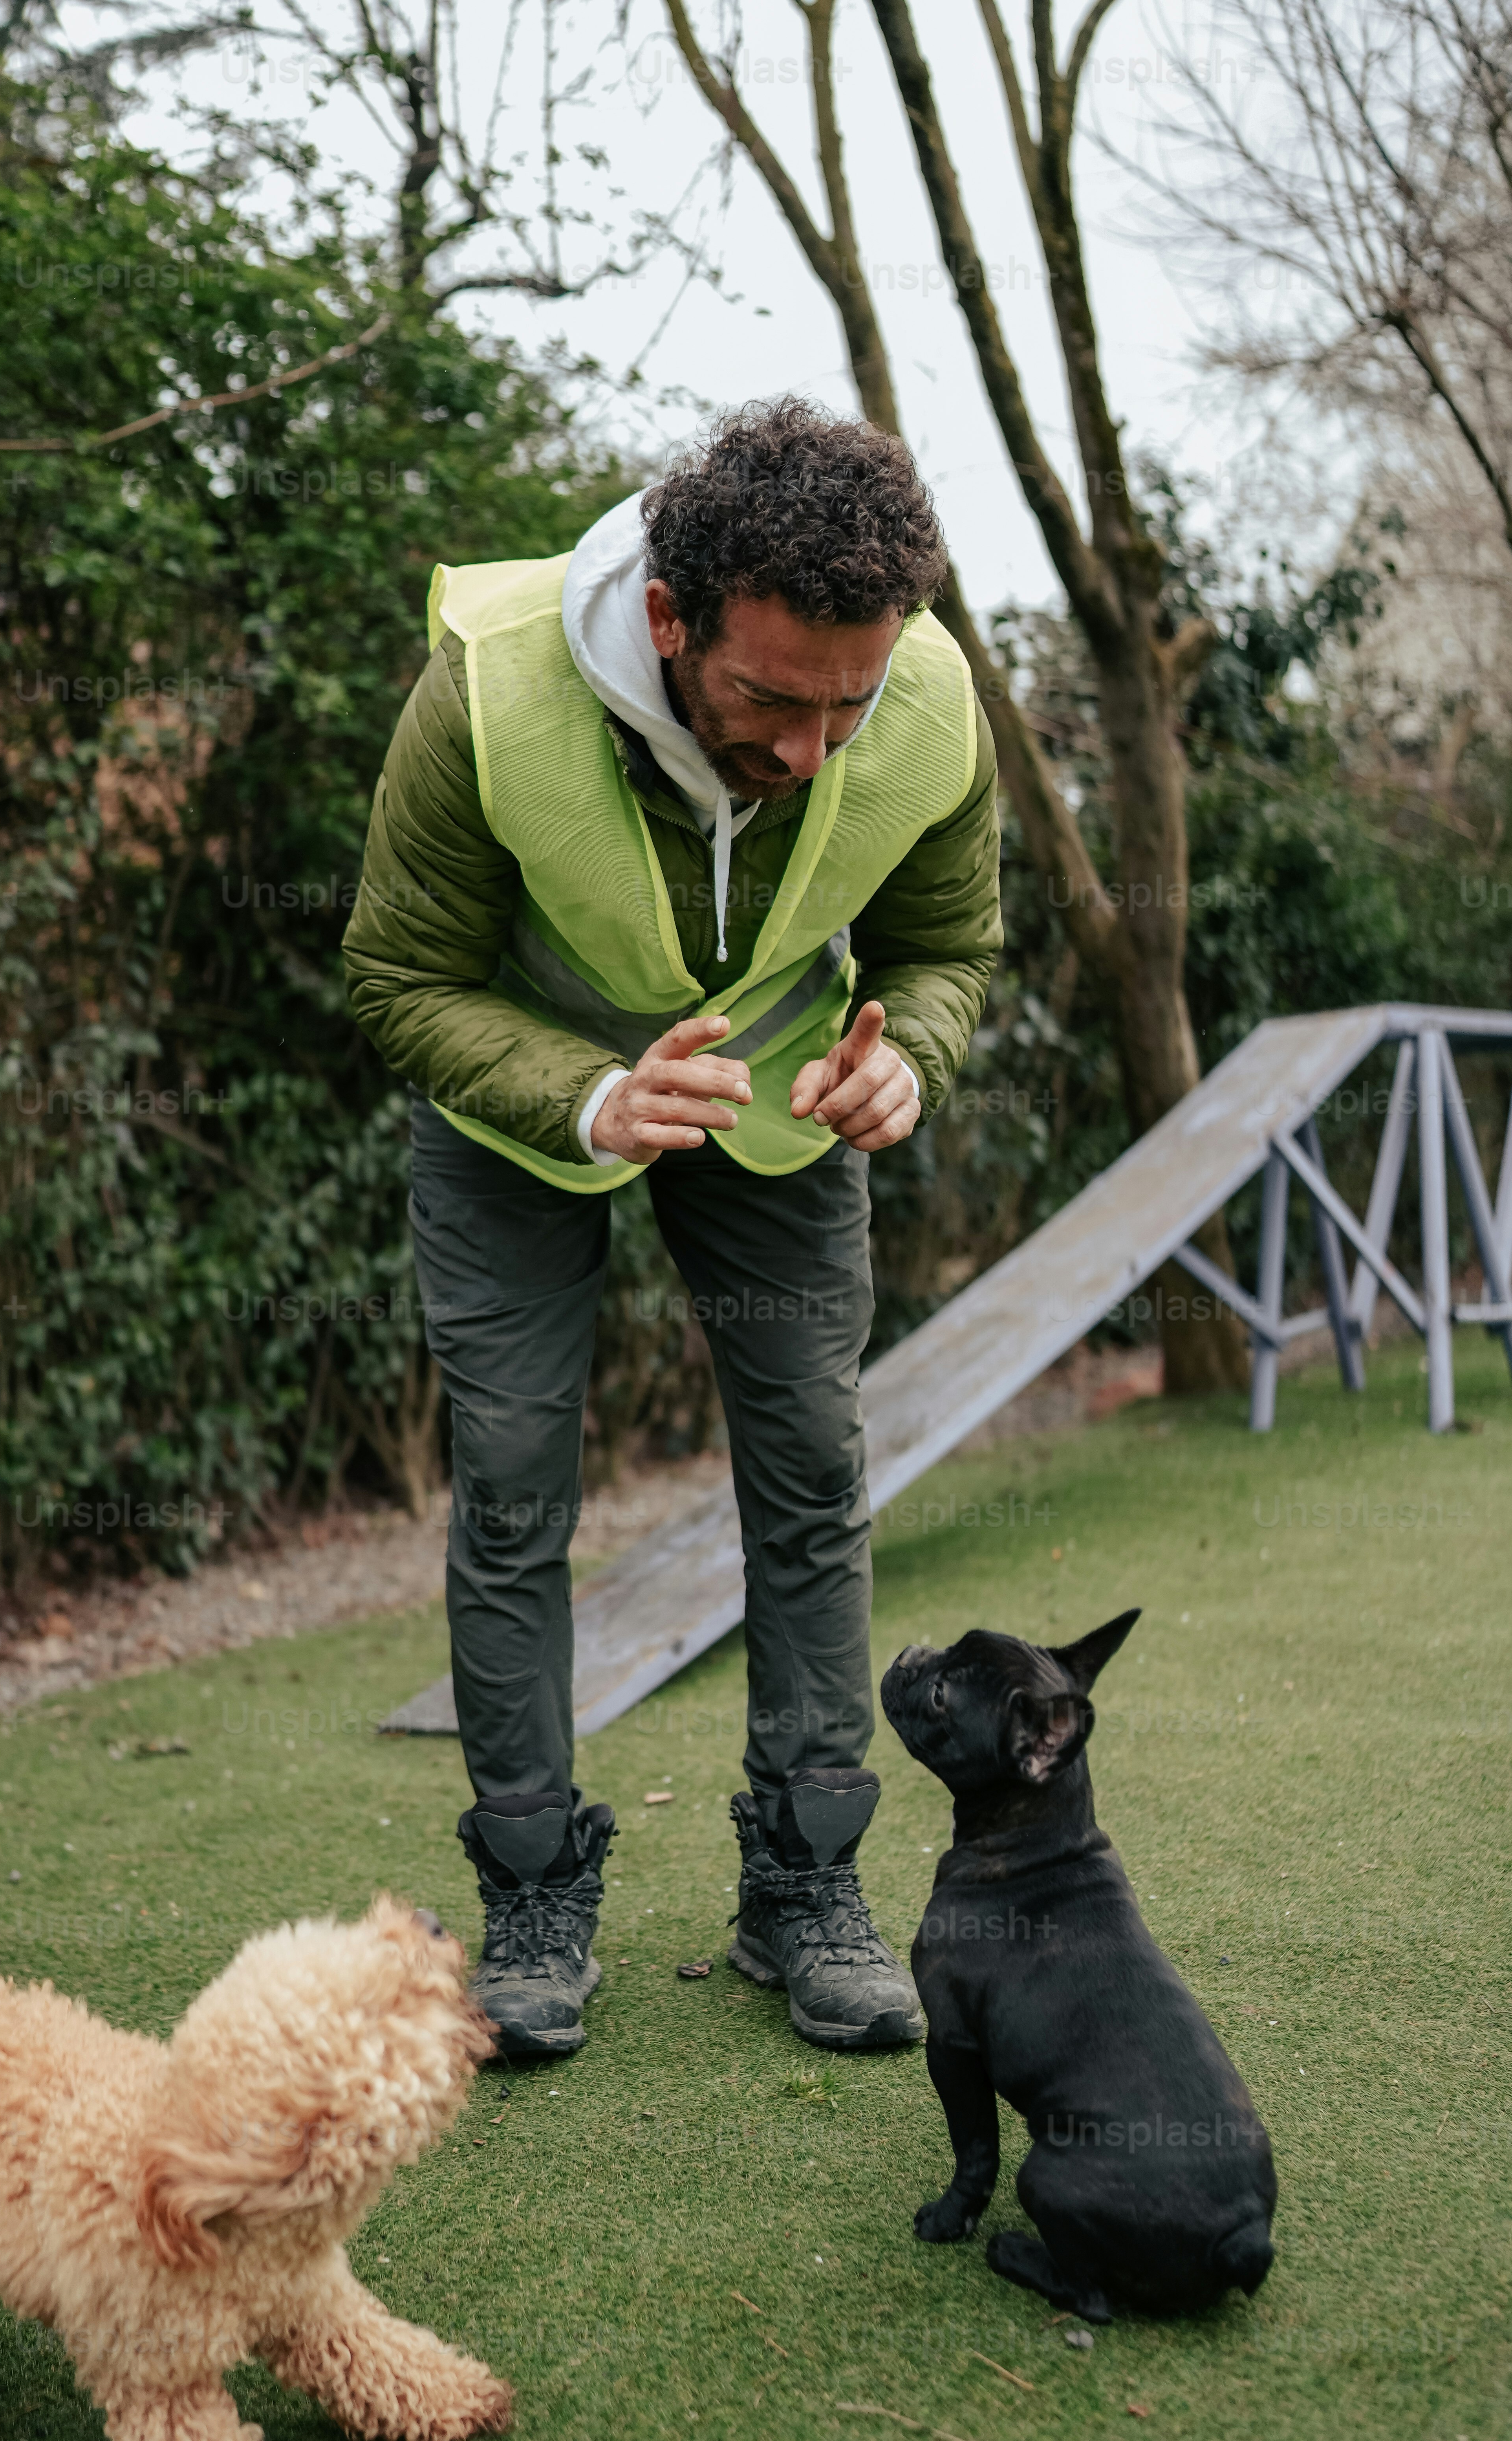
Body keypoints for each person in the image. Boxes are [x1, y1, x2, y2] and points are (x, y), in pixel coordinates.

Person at [345, 396, 1002, 2061]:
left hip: (780, 1091)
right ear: (667, 621)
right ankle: (533, 1897)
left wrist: (905, 1063)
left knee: (811, 1468)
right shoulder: (486, 693)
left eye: (845, 704)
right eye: (770, 699)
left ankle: (803, 1885)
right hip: (523, 1094)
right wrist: (581, 1097)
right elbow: (396, 975)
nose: (809, 750)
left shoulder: (918, 704)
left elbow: (943, 951)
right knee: (509, 1489)